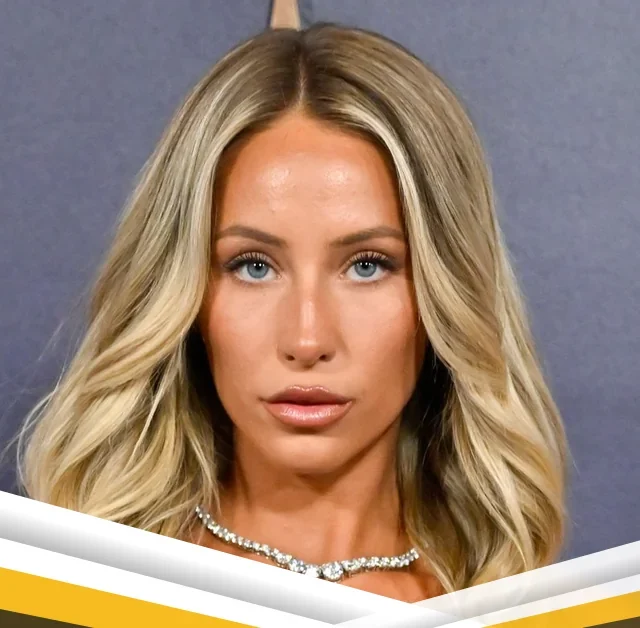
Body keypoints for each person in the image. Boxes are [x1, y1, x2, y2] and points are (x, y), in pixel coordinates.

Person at [16, 23, 568, 603]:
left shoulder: (510, 601)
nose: (307, 340)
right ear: (183, 293)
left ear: (446, 291)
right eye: (253, 266)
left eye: (367, 265)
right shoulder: (76, 587)